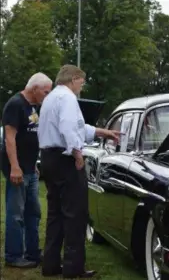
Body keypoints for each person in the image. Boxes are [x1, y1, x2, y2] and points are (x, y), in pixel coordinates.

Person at [38, 64, 121, 278]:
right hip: (65, 159)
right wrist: (77, 153)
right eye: (81, 83)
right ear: (74, 78)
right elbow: (68, 127)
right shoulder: (67, 98)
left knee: (55, 213)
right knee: (75, 213)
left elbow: (78, 127)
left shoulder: (50, 98)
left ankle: (51, 264)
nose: (81, 88)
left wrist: (103, 132)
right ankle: (74, 268)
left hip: (48, 157)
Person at [1, 73, 53, 268]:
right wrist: (15, 167)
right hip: (18, 170)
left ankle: (33, 253)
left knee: (34, 212)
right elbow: (9, 138)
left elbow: (31, 136)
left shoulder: (33, 106)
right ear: (34, 89)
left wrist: (33, 166)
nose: (47, 95)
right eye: (46, 92)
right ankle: (13, 256)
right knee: (16, 214)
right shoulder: (15, 104)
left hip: (29, 169)